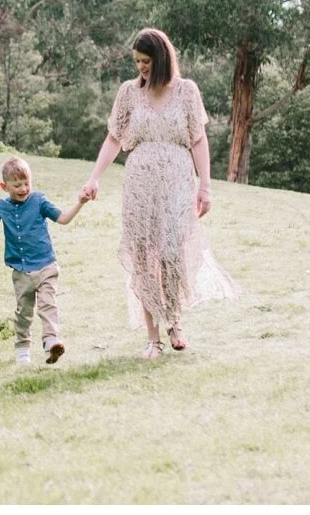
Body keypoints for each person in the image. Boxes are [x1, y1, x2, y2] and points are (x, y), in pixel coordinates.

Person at [81, 27, 238, 359]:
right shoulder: (129, 93)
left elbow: (198, 139)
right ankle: (153, 337)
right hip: (140, 182)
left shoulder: (186, 91)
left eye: (146, 61)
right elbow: (114, 137)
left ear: (162, 58)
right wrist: (95, 177)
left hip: (178, 181)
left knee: (170, 254)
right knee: (143, 258)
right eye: (137, 61)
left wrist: (205, 187)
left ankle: (174, 320)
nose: (141, 67)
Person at [0, 155, 90, 365]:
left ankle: (51, 342)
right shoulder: (1, 207)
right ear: (4, 186)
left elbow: (63, 218)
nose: (23, 189)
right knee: (23, 312)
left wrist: (80, 202)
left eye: (27, 183)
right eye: (17, 185)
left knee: (48, 305)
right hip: (21, 271)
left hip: (46, 266)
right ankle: (23, 348)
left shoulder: (39, 200)